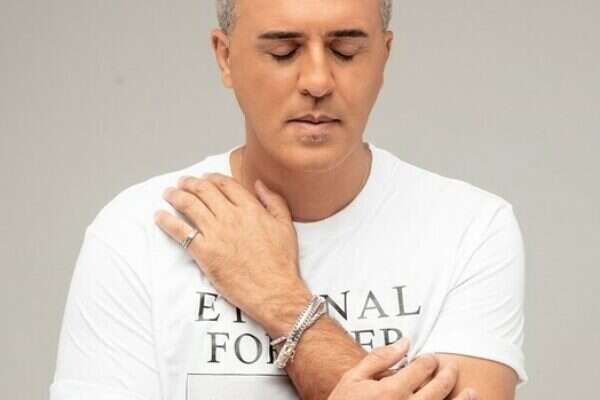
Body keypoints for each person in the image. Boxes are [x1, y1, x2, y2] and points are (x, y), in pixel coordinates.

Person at [50, 1, 527, 399]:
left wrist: (282, 300)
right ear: (225, 57)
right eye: (283, 51)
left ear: (383, 58)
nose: (317, 81)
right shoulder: (136, 233)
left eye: (345, 51)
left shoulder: (470, 228)